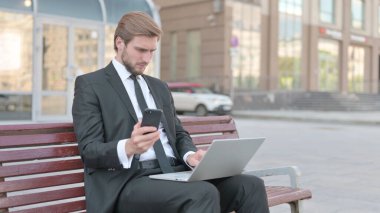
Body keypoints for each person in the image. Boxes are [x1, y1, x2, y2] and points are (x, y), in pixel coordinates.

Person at [72, 11, 269, 213]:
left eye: (152, 51)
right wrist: (129, 146)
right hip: (128, 182)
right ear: (119, 42)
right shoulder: (91, 85)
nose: (147, 58)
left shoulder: (159, 87)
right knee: (201, 193)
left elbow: (178, 133)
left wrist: (190, 156)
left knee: (250, 186)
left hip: (174, 173)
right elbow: (89, 150)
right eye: (141, 50)